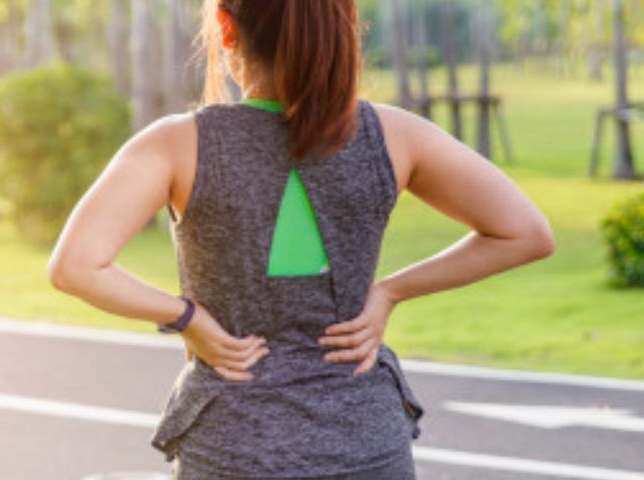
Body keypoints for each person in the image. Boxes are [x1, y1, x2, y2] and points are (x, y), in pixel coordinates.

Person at [46, 1, 555, 478]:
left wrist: (187, 318)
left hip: (235, 446)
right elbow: (525, 233)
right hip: (367, 444)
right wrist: (389, 292)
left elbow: (76, 266)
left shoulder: (179, 143)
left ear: (226, 27)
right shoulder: (394, 136)